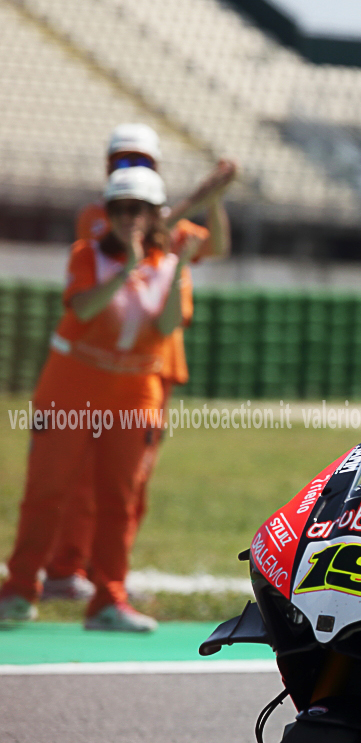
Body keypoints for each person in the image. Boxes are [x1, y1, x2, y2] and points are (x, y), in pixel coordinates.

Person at [39, 124, 236, 602]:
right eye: (123, 161)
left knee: (131, 482)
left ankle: (106, 573)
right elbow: (139, 239)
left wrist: (212, 201)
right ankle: (68, 567)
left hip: (154, 366)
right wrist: (190, 202)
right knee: (85, 476)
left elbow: (216, 246)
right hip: (107, 367)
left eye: (141, 162)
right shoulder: (100, 215)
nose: (131, 170)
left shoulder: (165, 218)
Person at [0, 166, 198, 631]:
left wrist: (178, 268)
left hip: (134, 397)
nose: (128, 218)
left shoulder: (171, 266)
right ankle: (19, 591)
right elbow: (84, 308)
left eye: (139, 209)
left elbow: (168, 325)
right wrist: (126, 269)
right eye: (119, 209)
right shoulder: (86, 255)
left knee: (120, 501)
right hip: (70, 392)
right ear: (107, 213)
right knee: (46, 493)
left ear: (155, 216)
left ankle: (108, 599)